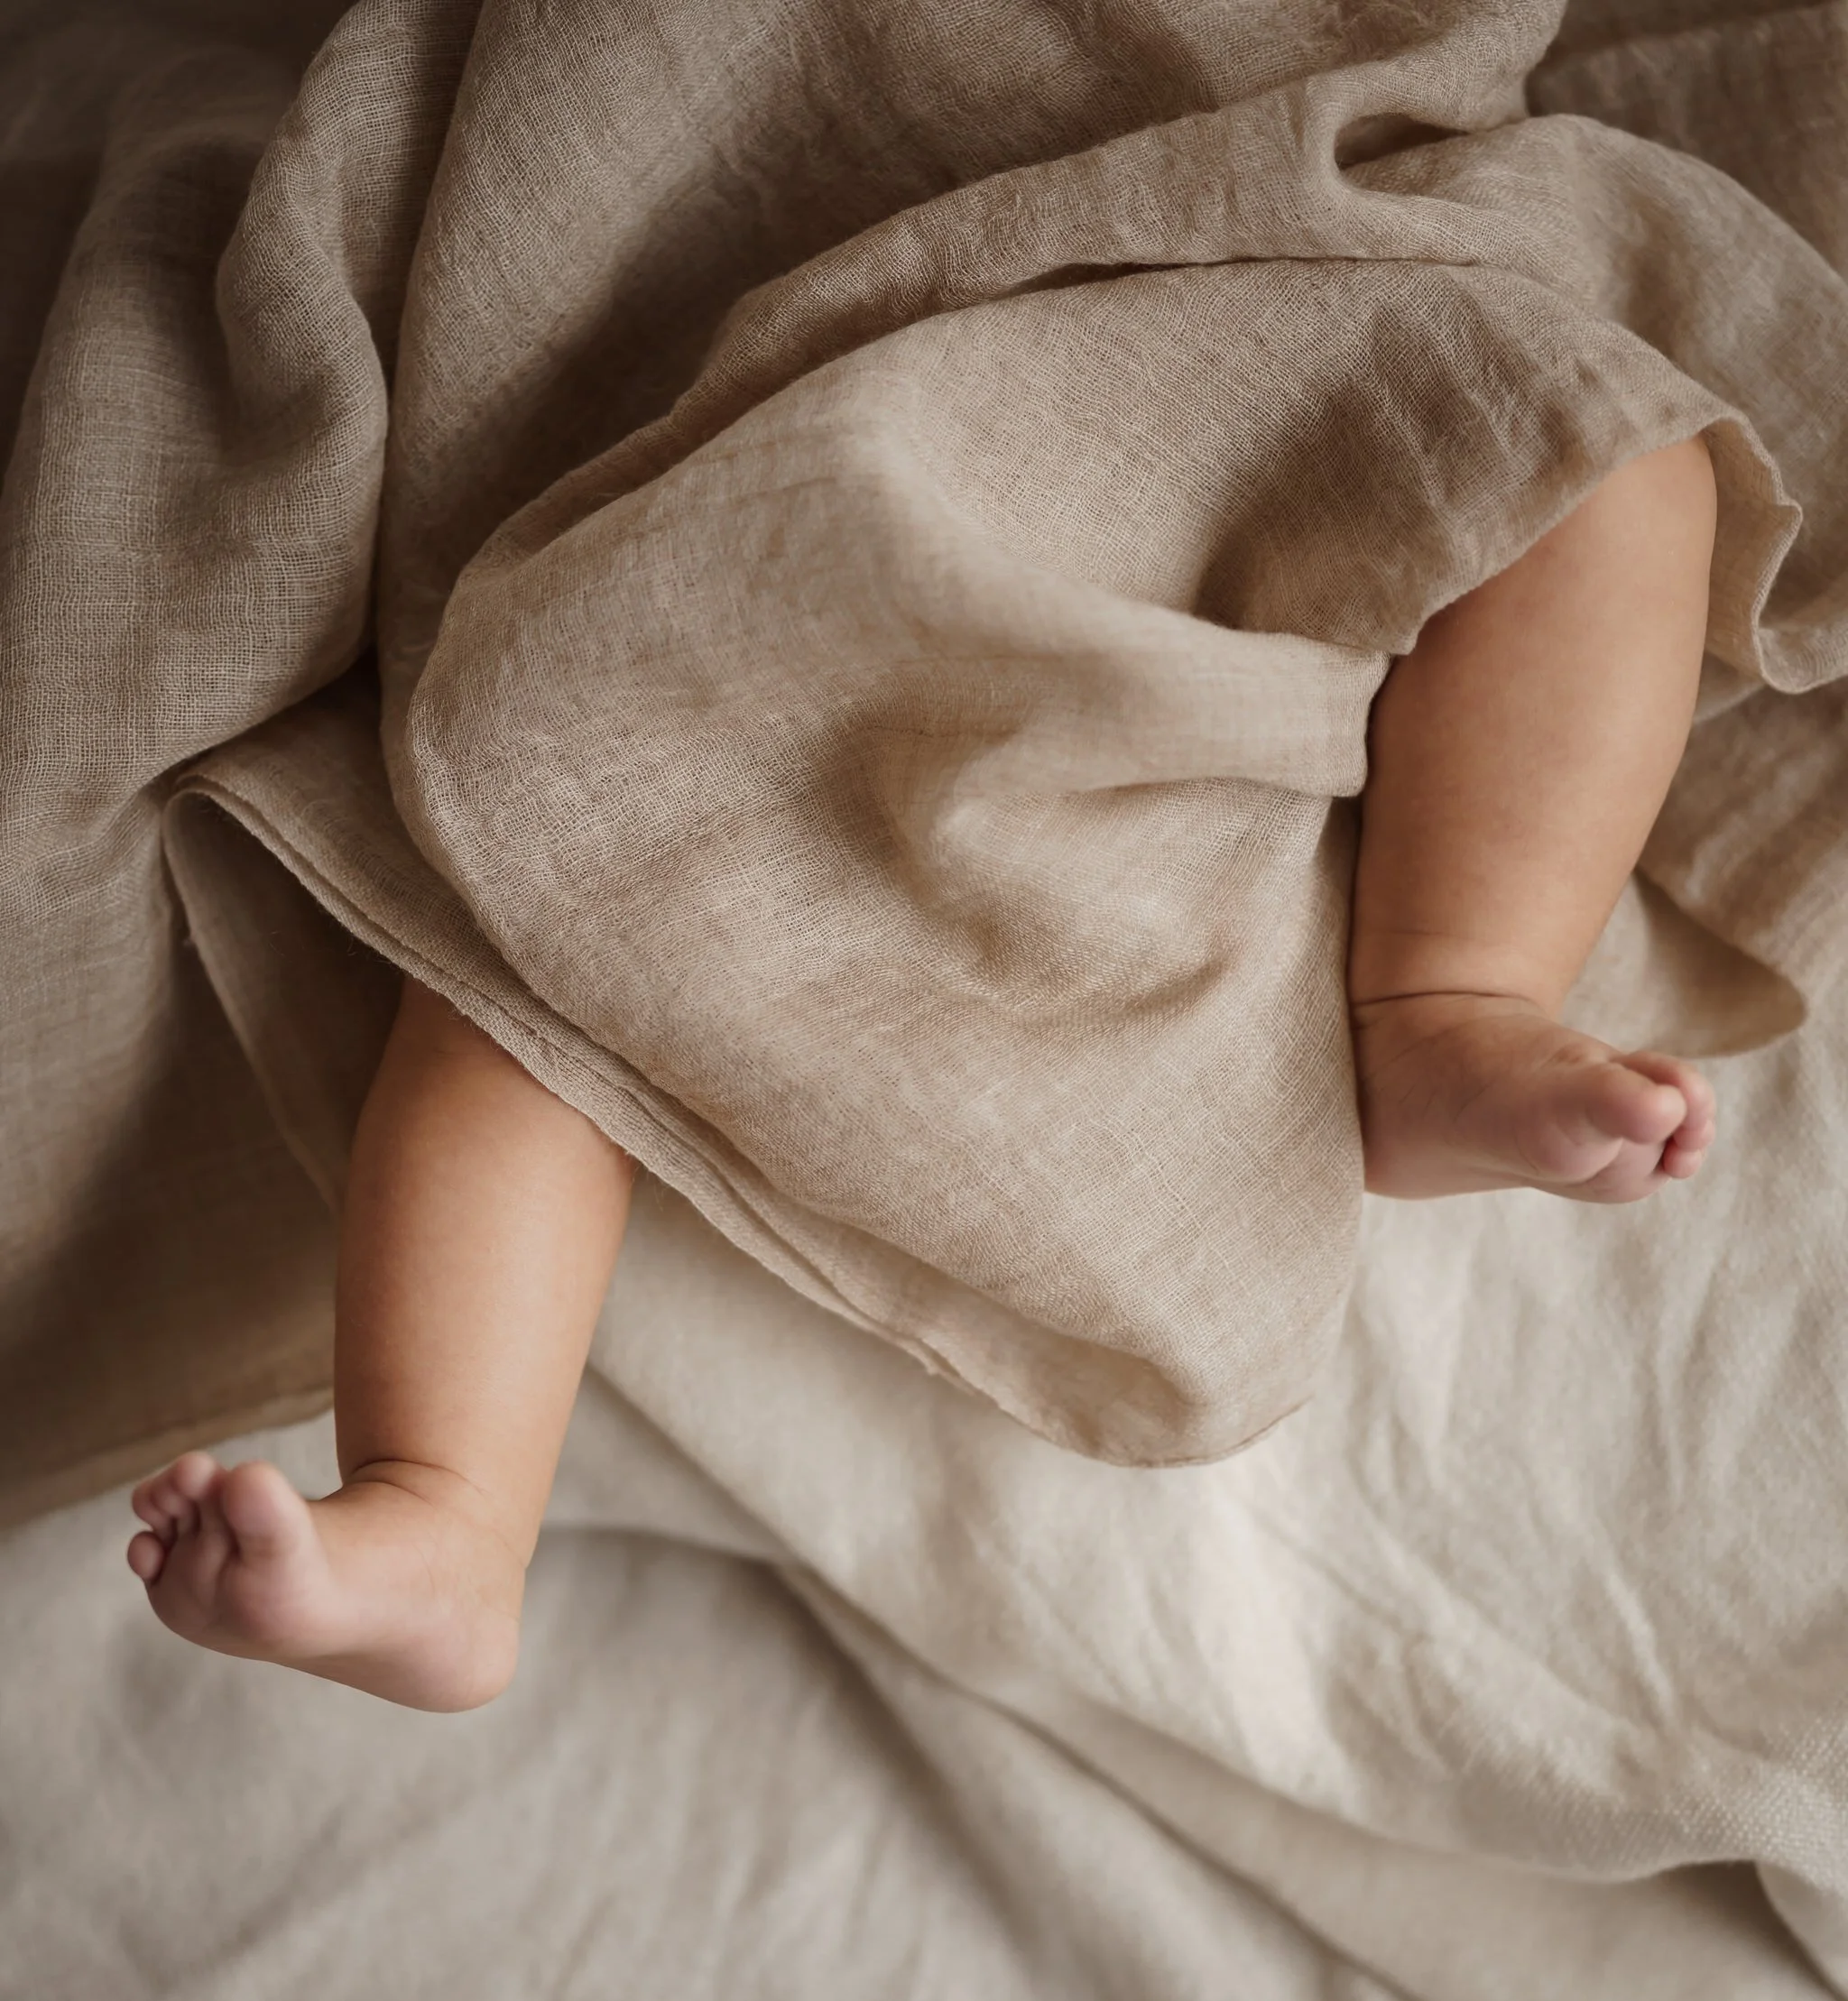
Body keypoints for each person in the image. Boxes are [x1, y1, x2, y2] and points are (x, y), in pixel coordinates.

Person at [127, 436, 1720, 1711]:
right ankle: (447, 1512)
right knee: (539, 910)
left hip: (1245, 471)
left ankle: (1449, 989)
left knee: (1613, 461)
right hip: (768, 566)